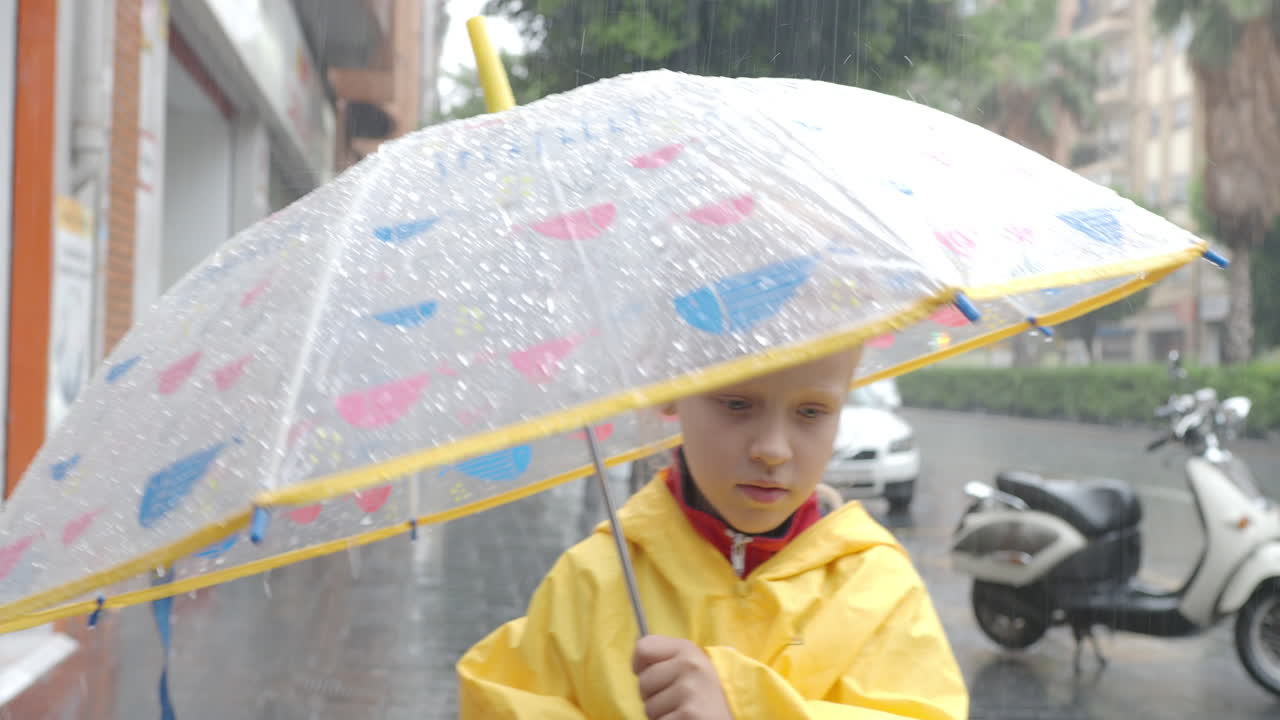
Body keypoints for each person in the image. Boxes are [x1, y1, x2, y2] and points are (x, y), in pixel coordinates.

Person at [457, 348, 968, 719]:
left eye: (811, 412)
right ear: (673, 395)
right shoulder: (592, 583)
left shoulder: (878, 589)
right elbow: (504, 700)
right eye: (736, 404)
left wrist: (745, 705)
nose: (772, 449)